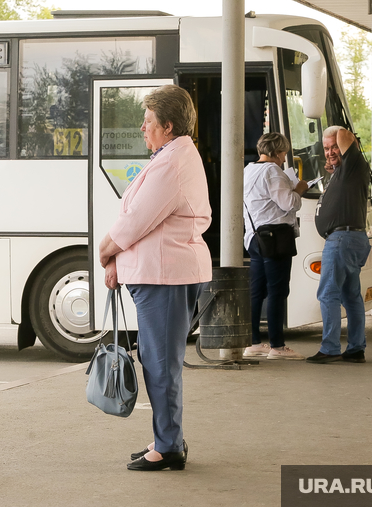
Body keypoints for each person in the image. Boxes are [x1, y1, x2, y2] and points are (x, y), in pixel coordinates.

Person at [99, 84, 211, 472]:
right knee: (158, 361)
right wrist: (118, 258)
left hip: (166, 278)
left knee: (161, 365)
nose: (142, 128)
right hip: (161, 275)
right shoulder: (171, 156)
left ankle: (168, 446)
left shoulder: (172, 163)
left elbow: (137, 220)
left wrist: (106, 249)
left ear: (167, 125)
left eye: (147, 122)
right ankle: (168, 436)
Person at [307, 126, 372, 364]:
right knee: (351, 296)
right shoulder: (344, 170)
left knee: (328, 294)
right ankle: (355, 348)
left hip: (342, 240)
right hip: (349, 239)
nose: (330, 152)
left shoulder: (354, 161)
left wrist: (341, 144)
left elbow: (345, 134)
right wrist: (336, 164)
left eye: (334, 146)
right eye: (325, 148)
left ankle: (330, 347)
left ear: (348, 145)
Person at [242, 133, 309, 360]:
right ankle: (277, 346)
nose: (283, 158)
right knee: (277, 292)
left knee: (257, 292)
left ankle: (253, 342)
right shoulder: (272, 171)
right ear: (277, 152)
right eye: (283, 153)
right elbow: (288, 202)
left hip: (254, 237)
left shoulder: (248, 170)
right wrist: (299, 188)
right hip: (275, 239)